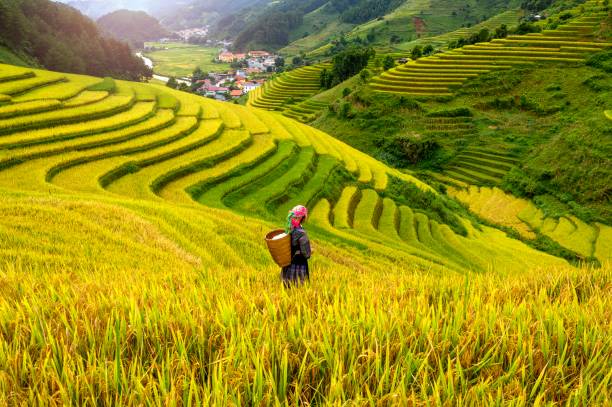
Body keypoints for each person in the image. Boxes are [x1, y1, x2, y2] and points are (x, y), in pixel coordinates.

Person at [282, 205, 311, 288]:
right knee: (298, 289)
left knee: (286, 288)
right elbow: (306, 254)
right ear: (303, 218)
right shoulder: (302, 233)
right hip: (298, 265)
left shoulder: (288, 229)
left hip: (287, 265)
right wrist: (310, 251)